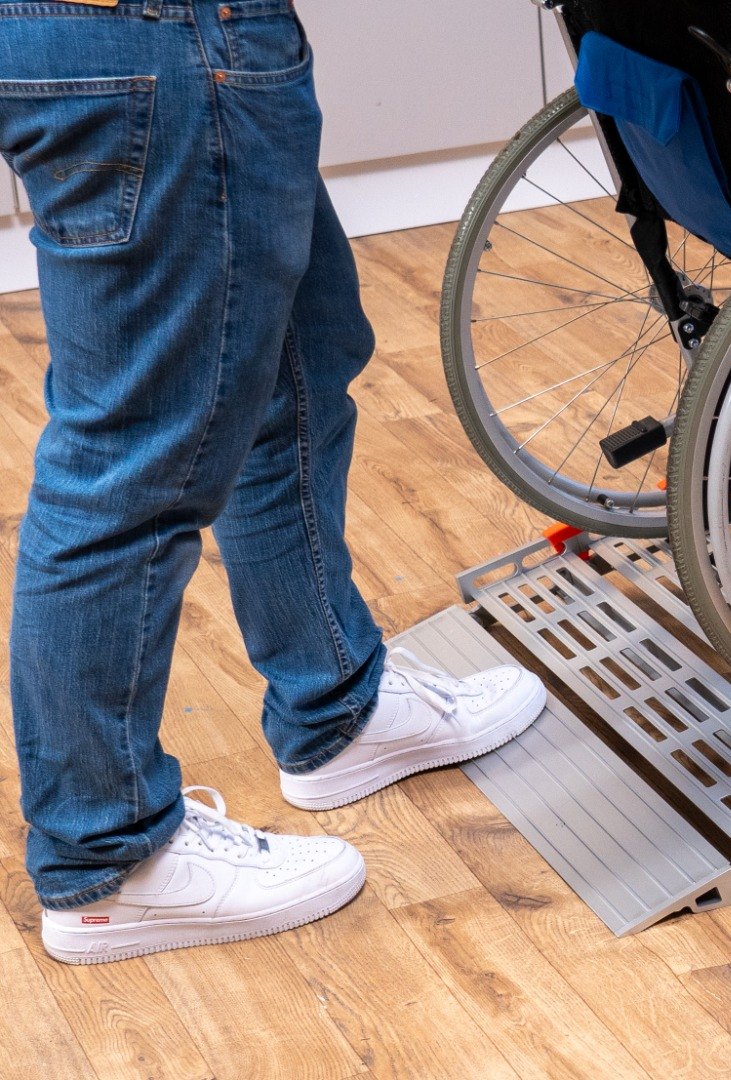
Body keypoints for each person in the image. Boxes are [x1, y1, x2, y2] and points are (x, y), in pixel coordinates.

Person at [0, 0, 546, 965]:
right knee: (132, 456)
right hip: (160, 40)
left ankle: (337, 705)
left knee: (294, 364)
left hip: (172, 40)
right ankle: (107, 859)